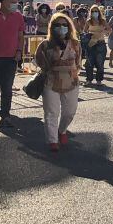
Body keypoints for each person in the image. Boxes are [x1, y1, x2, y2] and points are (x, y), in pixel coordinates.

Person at [34, 12, 82, 152]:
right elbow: (39, 60)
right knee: (51, 112)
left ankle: (62, 130)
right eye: (57, 25)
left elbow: (78, 61)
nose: (61, 27)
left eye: (64, 25)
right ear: (52, 27)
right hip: (51, 81)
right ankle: (52, 140)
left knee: (69, 112)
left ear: (69, 26)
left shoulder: (75, 43)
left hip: (71, 80)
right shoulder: (45, 44)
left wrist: (72, 70)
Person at [81, 5, 111, 87]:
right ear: (91, 12)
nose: (95, 13)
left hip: (100, 43)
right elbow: (84, 32)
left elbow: (109, 29)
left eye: (96, 11)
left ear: (99, 12)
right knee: (89, 63)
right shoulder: (88, 21)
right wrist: (87, 35)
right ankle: (89, 80)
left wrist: (103, 32)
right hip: (91, 44)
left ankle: (99, 80)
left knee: (100, 63)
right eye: (93, 11)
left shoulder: (102, 21)